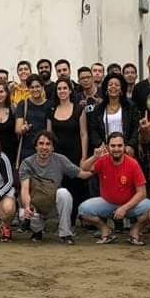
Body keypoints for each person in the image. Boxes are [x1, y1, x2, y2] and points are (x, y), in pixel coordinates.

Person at [78, 133, 150, 245]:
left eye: (119, 145)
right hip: (107, 203)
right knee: (83, 210)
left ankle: (135, 230)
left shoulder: (133, 164)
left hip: (130, 205)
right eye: (113, 146)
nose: (116, 149)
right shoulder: (103, 160)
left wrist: (125, 208)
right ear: (108, 147)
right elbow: (84, 168)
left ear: (124, 147)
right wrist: (95, 156)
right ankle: (105, 230)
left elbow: (142, 193)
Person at [19, 130, 94, 244]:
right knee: (23, 213)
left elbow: (83, 174)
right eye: (41, 143)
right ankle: (37, 232)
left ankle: (65, 234)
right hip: (35, 205)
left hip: (53, 204)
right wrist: (27, 207)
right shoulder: (27, 163)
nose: (44, 147)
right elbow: (24, 190)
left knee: (64, 193)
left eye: (48, 144)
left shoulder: (60, 159)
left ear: (53, 147)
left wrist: (98, 164)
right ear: (36, 146)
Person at [48, 78, 89, 224]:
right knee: (61, 187)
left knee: (76, 187)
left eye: (65, 88)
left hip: (75, 153)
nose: (62, 91)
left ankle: (73, 220)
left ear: (70, 90)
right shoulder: (51, 110)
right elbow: (49, 135)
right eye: (59, 89)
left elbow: (84, 134)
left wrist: (84, 156)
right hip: (57, 156)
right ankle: (63, 220)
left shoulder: (79, 109)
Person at [88, 73, 139, 155]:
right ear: (106, 89)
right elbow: (93, 129)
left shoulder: (130, 107)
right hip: (106, 151)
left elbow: (136, 128)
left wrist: (130, 145)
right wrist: (100, 144)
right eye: (110, 84)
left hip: (126, 150)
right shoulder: (99, 108)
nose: (113, 87)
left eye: (117, 85)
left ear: (121, 89)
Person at [15, 74, 52, 162]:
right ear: (28, 89)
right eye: (32, 87)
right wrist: (23, 129)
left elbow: (50, 131)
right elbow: (17, 129)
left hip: (44, 149)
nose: (35, 89)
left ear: (42, 87)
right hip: (27, 150)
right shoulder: (23, 104)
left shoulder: (49, 105)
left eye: (37, 86)